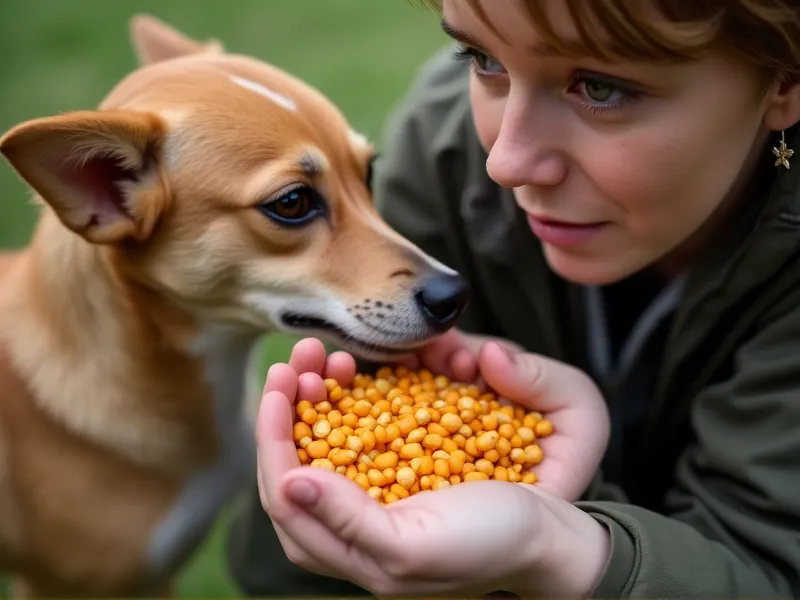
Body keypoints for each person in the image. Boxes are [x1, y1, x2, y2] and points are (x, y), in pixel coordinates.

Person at [225, 0, 800, 597]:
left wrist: (556, 548)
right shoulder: (449, 149)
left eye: (600, 88)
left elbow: (768, 568)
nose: (505, 162)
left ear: (784, 76)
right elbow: (288, 582)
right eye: (482, 59)